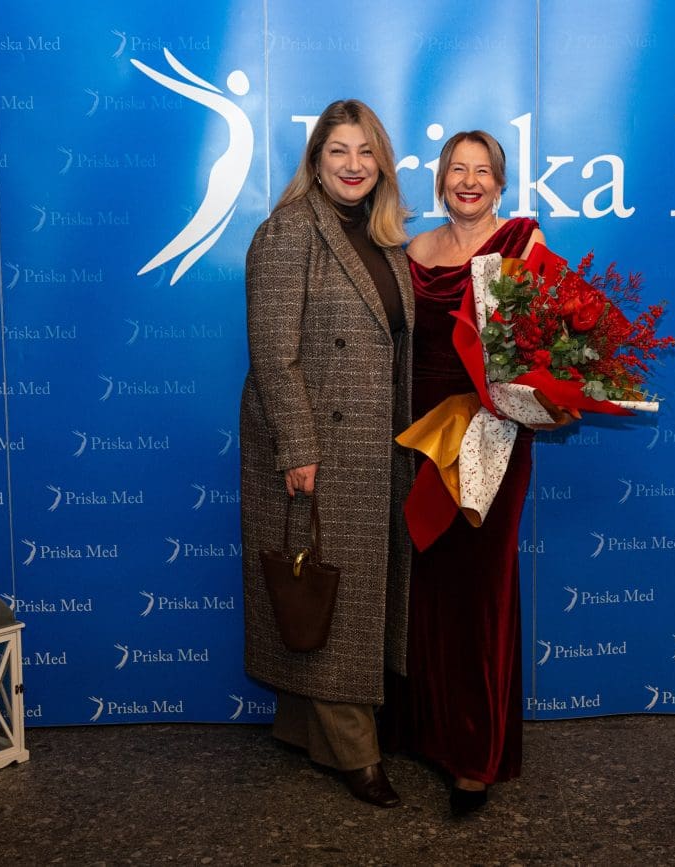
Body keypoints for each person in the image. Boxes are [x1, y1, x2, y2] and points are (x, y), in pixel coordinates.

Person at [383, 129, 571, 815]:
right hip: (421, 434)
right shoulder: (412, 253)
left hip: (492, 433)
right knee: (427, 583)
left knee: (480, 588)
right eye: (457, 169)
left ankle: (476, 755)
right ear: (441, 180)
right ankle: (427, 731)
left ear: (500, 183)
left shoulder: (523, 242)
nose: (469, 181)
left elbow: (545, 343)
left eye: (482, 170)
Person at [240, 99, 414, 809]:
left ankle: (301, 727)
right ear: (315, 160)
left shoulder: (383, 236)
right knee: (334, 597)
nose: (353, 164)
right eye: (339, 150)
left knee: (337, 588)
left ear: (382, 164)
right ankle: (356, 754)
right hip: (320, 446)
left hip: (377, 444)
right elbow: (273, 355)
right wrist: (298, 448)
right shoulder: (289, 231)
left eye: (366, 151)